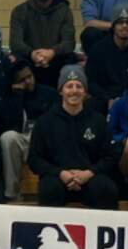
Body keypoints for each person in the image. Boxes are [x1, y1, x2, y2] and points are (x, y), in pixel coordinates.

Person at [27, 65, 118, 209]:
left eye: (79, 86)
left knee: (106, 190)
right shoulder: (45, 122)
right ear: (60, 91)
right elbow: (34, 159)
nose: (74, 90)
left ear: (85, 91)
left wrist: (89, 173)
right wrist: (60, 173)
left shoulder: (98, 121)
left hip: (90, 177)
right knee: (49, 190)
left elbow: (110, 156)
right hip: (57, 178)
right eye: (69, 86)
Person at [0, 58, 57, 201]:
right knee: (7, 137)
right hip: (24, 140)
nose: (28, 81)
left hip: (45, 140)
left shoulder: (49, 93)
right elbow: (11, 127)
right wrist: (17, 97)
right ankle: (12, 194)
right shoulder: (10, 98)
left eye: (29, 76)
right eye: (22, 80)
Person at [9, 0, 76, 89]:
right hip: (29, 62)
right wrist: (32, 54)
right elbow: (15, 43)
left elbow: (69, 42)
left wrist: (52, 52)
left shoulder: (64, 10)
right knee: (13, 59)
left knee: (71, 58)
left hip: (56, 61)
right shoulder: (19, 11)